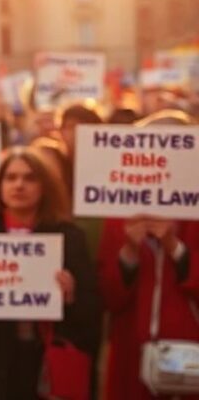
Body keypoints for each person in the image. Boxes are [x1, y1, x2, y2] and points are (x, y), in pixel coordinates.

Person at [0, 147, 100, 400]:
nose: (19, 185)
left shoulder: (68, 236)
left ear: (44, 186)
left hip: (42, 365)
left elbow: (92, 314)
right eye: (10, 178)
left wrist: (71, 298)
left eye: (29, 178)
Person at [98, 110, 199, 400]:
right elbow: (110, 295)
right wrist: (129, 252)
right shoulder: (120, 213)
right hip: (133, 350)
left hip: (189, 349)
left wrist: (174, 247)